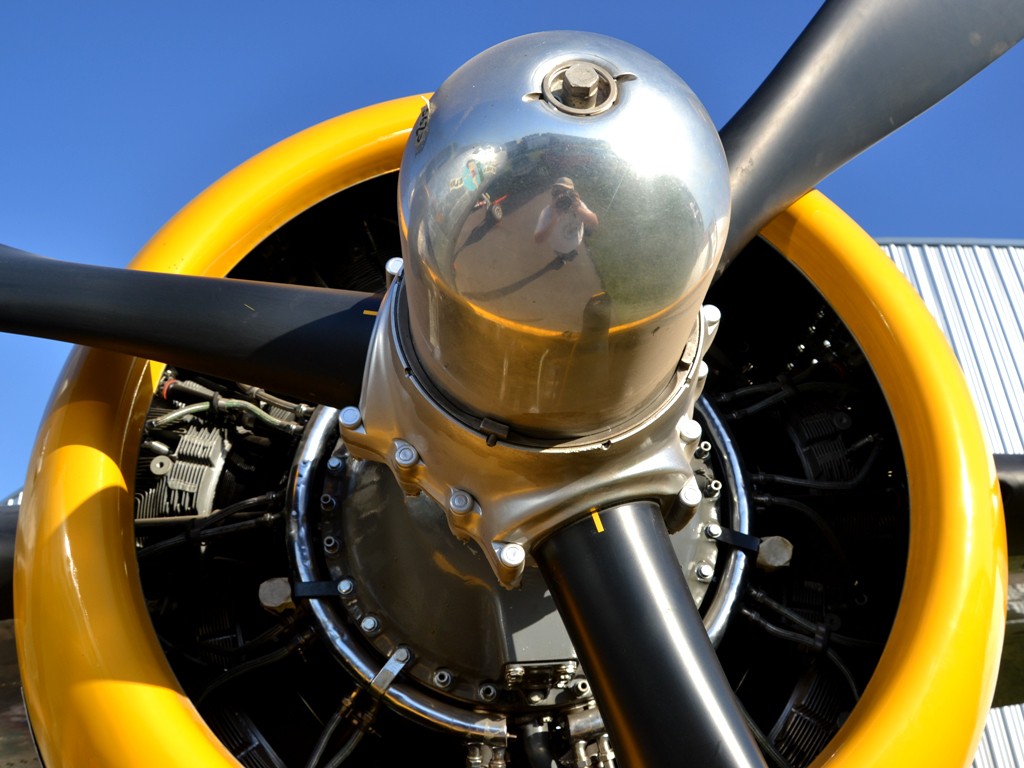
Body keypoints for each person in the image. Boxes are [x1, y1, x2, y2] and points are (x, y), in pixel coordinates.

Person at [533, 177, 598, 266]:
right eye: (557, 192)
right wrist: (555, 218)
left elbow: (594, 222)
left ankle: (569, 254)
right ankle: (563, 257)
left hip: (575, 243)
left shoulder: (578, 206)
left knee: (570, 253)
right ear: (552, 195)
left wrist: (578, 209)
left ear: (573, 195)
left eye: (565, 192)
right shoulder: (548, 213)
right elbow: (538, 240)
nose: (561, 196)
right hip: (559, 248)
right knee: (562, 254)